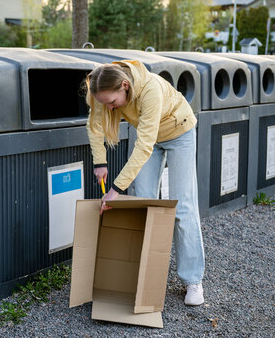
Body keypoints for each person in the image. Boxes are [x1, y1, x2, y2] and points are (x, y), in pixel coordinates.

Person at [85, 60, 205, 306]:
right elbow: (95, 126)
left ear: (125, 86)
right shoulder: (101, 87)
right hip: (148, 135)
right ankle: (144, 274)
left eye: (112, 103)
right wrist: (100, 162)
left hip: (178, 132)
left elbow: (144, 146)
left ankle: (193, 281)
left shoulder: (150, 89)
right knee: (142, 203)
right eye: (103, 103)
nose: (108, 108)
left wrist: (116, 190)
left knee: (183, 207)